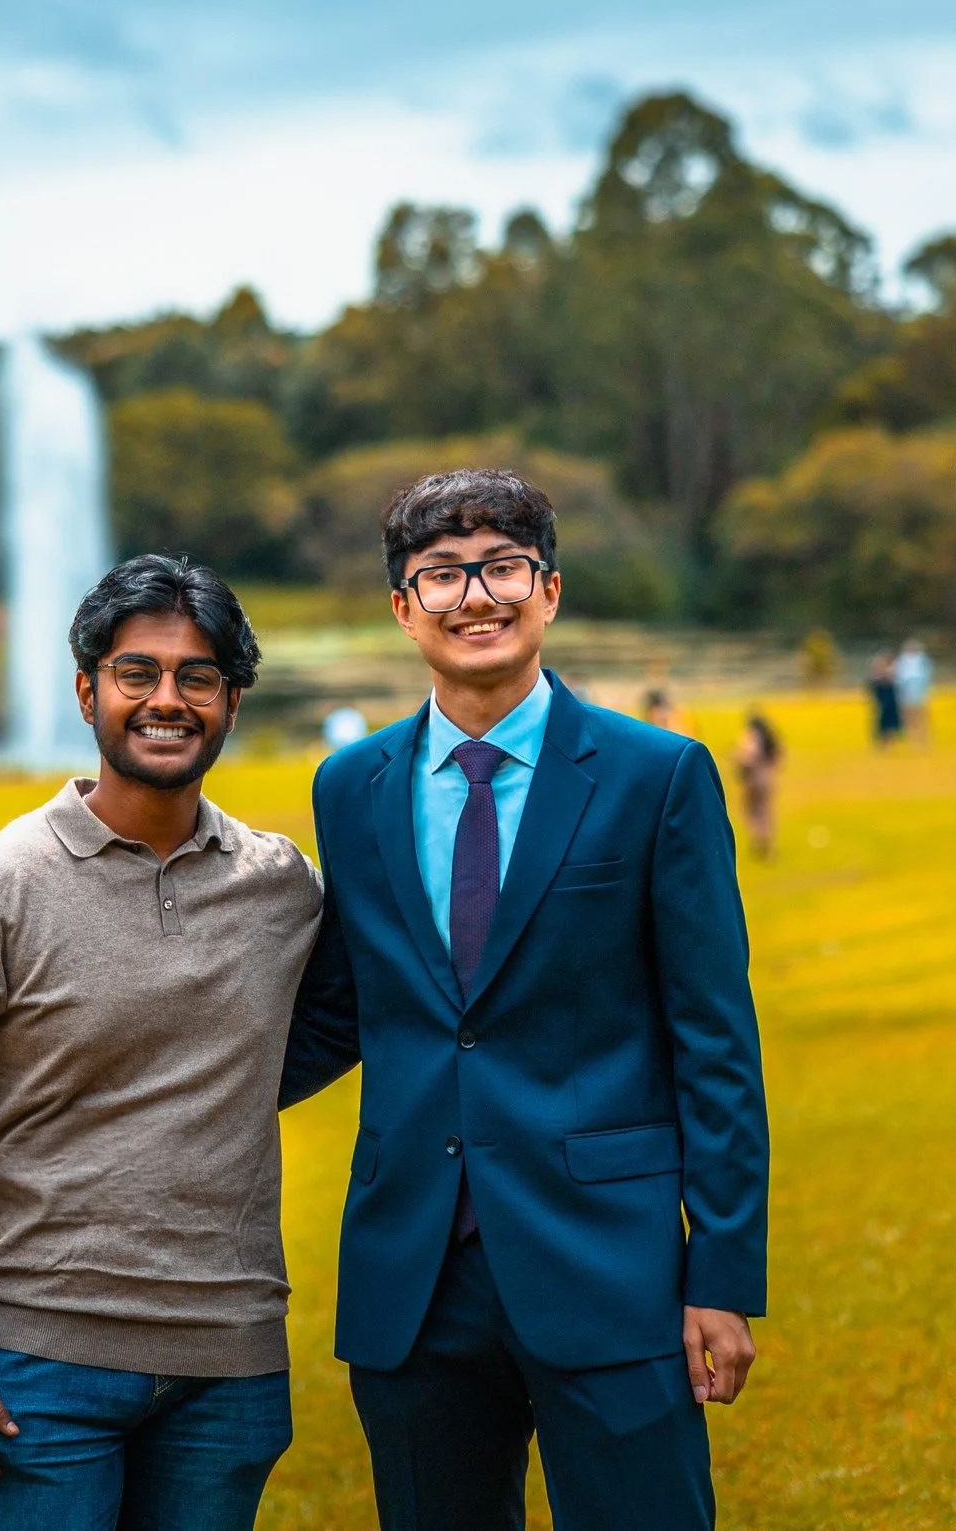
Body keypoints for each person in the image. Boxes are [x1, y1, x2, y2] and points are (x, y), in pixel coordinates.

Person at [283, 470, 769, 1531]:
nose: (475, 595)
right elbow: (344, 1007)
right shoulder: (349, 785)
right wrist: (135, 1070)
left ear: (548, 590)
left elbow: (713, 1037)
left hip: (611, 1261)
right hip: (410, 1273)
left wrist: (721, 1269)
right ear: (403, 606)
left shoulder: (658, 775)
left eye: (502, 565)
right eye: (441, 574)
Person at [0, 555, 323, 1531]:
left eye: (196, 676)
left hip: (230, 1361)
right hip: (40, 1362)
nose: (166, 699)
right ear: (87, 690)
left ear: (232, 701)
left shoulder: (284, 886)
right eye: (136, 673)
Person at [734, 709, 782, 860]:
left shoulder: (751, 737)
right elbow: (779, 757)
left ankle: (759, 840)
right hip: (769, 777)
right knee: (765, 810)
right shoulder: (771, 737)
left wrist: (735, 759)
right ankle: (766, 840)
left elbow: (747, 757)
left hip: (754, 778)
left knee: (751, 810)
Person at [894, 638, 933, 746]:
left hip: (917, 685)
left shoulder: (922, 659)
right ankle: (911, 736)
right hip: (905, 687)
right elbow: (898, 675)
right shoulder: (902, 660)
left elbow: (927, 674)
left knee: (919, 712)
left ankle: (922, 737)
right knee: (906, 714)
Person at [867, 650, 902, 750]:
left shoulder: (891, 674)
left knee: (891, 722)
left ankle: (890, 742)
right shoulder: (877, 680)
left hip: (890, 703)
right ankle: (883, 743)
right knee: (882, 723)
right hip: (882, 703)